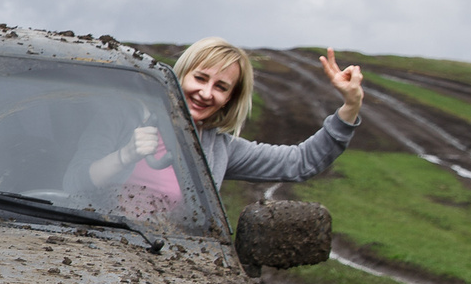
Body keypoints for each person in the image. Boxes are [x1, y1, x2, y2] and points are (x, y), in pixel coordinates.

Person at [88, 38, 365, 218]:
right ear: (178, 75)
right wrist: (126, 154)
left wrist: (351, 106)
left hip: (167, 264)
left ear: (229, 100)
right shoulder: (123, 119)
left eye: (220, 87)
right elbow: (77, 181)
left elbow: (299, 162)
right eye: (200, 78)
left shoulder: (219, 148)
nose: (206, 93)